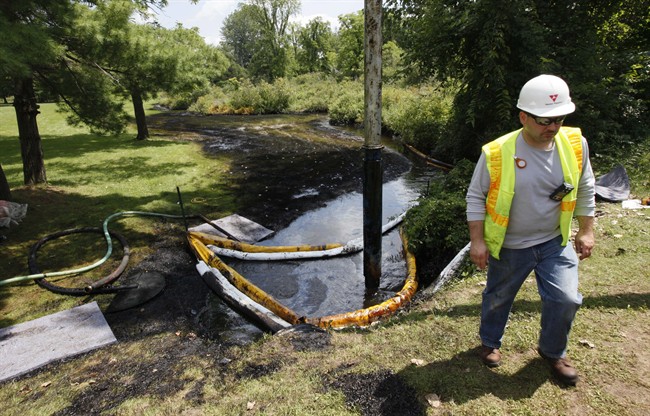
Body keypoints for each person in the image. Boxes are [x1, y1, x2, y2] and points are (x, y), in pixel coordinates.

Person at [465, 74, 595, 386]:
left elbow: (586, 187)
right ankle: (490, 342)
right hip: (511, 245)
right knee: (498, 296)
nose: (552, 127)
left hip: (554, 240)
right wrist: (477, 241)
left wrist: (586, 230)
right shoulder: (497, 153)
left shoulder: (575, 145)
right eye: (544, 120)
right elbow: (475, 196)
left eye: (559, 119)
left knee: (565, 299)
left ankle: (553, 352)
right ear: (523, 116)